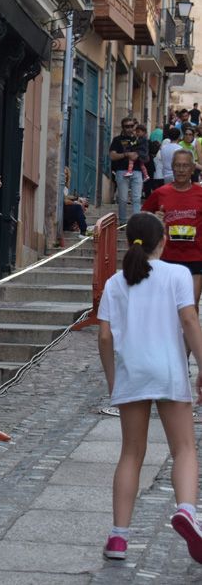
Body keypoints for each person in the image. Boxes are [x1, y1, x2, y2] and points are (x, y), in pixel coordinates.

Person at [97, 212, 202, 563]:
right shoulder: (178, 274)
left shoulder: (115, 283)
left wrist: (114, 378)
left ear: (129, 243)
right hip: (168, 369)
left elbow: (105, 335)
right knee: (184, 448)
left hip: (133, 370)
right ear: (164, 241)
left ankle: (118, 538)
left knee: (131, 453)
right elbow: (189, 320)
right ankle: (186, 510)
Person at [143, 149, 202, 312]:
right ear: (172, 167)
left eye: (185, 166)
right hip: (167, 257)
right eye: (177, 165)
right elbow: (142, 219)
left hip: (195, 257)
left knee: (191, 306)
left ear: (192, 169)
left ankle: (189, 338)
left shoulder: (200, 193)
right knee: (167, 308)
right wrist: (155, 218)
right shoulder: (161, 193)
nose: (181, 170)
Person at [109, 117, 150, 223]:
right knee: (123, 199)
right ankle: (122, 221)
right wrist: (126, 154)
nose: (130, 129)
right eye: (127, 126)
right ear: (123, 127)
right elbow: (112, 155)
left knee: (137, 198)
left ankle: (136, 222)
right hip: (122, 171)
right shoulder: (117, 140)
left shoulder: (139, 139)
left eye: (132, 126)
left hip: (137, 170)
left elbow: (146, 155)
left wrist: (138, 155)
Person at [63, 166, 89, 237]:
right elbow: (64, 201)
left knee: (78, 207)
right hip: (61, 214)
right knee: (77, 208)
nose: (65, 176)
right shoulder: (60, 186)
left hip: (64, 214)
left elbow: (66, 197)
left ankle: (81, 229)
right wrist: (76, 202)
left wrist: (76, 199)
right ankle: (83, 230)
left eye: (66, 174)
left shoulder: (65, 187)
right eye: (63, 174)